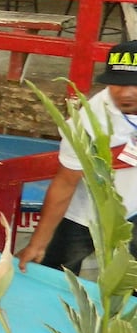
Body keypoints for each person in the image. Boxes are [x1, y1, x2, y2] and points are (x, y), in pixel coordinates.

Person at [17, 40, 137, 274]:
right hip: (85, 216)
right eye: (117, 83)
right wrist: (38, 243)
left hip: (133, 211)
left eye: (135, 84)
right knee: (57, 277)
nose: (125, 93)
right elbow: (65, 182)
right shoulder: (87, 123)